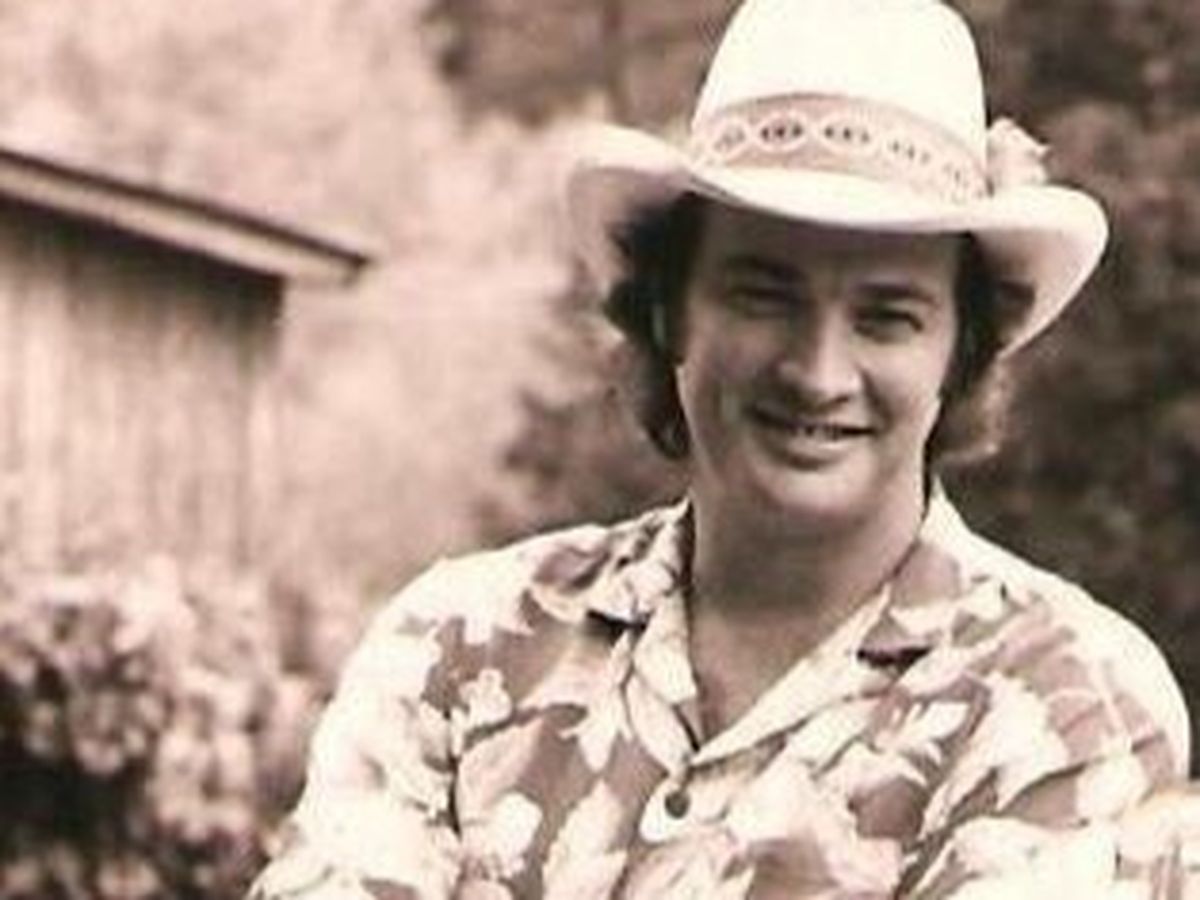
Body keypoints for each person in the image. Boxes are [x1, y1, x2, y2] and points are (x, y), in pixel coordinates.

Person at [251, 0, 1195, 896]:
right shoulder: (463, 646)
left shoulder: (1067, 703)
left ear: (962, 351)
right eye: (763, 295)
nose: (818, 371)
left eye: (887, 316)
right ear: (669, 311)